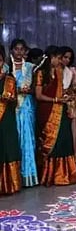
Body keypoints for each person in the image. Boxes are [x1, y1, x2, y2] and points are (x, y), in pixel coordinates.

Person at [34, 46, 76, 186]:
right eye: (58, 58)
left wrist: (66, 95)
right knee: (50, 142)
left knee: (64, 141)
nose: (60, 61)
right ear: (50, 57)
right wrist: (56, 100)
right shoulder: (41, 73)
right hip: (47, 111)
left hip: (61, 110)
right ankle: (50, 176)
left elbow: (60, 91)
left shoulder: (59, 72)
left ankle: (65, 174)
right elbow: (39, 95)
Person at [10, 37, 37, 187]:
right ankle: (14, 177)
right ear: (12, 50)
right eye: (16, 49)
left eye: (22, 49)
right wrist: (17, 90)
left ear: (25, 51)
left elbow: (37, 88)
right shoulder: (7, 68)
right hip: (13, 107)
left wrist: (29, 90)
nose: (19, 52)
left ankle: (28, 175)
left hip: (27, 107)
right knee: (15, 138)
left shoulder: (30, 67)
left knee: (28, 139)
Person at [0, 44, 22, 195]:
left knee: (8, 147)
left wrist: (9, 98)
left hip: (7, 118)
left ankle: (9, 184)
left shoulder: (9, 79)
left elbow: (14, 100)